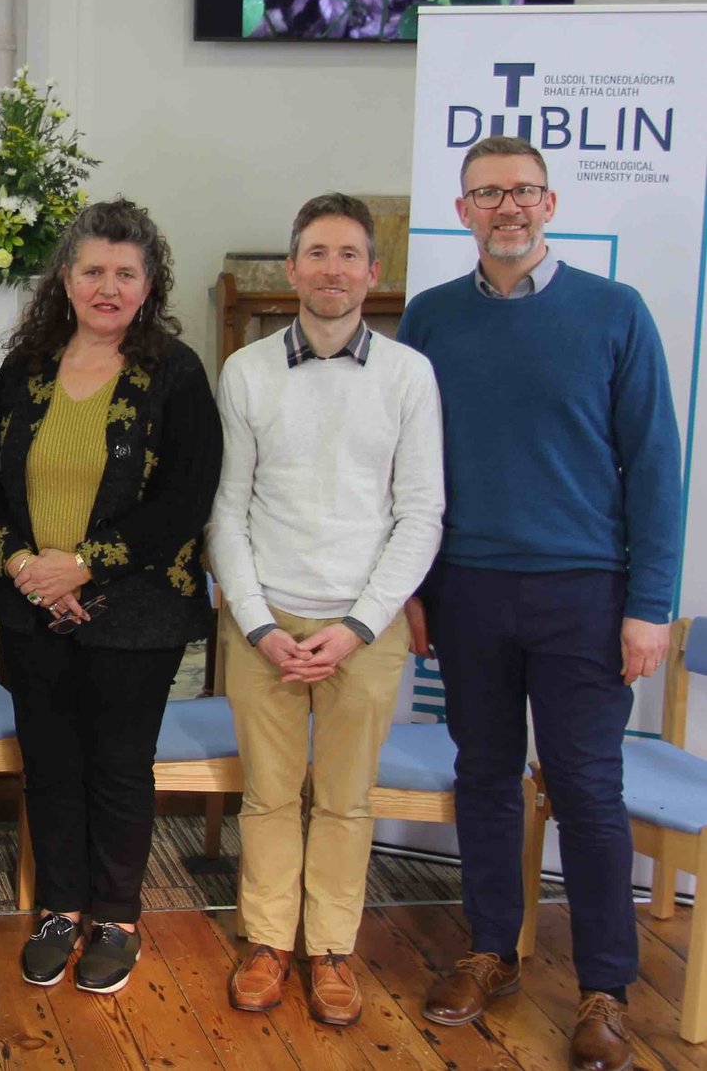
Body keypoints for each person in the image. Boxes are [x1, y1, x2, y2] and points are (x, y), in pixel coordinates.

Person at [400, 136, 680, 1071]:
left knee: (589, 791)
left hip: (584, 595)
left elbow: (656, 467)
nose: (507, 208)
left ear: (550, 203)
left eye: (522, 191)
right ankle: (491, 948)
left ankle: (605, 986)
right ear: (464, 208)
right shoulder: (431, 321)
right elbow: (414, 468)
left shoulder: (614, 312)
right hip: (469, 589)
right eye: (488, 194)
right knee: (482, 775)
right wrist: (419, 589)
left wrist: (650, 604)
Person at [0, 199, 220, 995]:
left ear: (149, 283)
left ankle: (116, 917)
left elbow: (186, 496)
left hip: (138, 610)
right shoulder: (26, 367)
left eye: (125, 272)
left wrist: (85, 567)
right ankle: (59, 909)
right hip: (32, 604)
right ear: (65, 279)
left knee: (117, 766)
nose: (107, 287)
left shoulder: (175, 371)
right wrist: (26, 567)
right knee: (49, 764)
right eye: (92, 271)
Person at [206, 193, 443, 1025]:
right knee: (269, 796)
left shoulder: (411, 375)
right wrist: (261, 622)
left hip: (363, 627)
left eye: (350, 254)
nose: (333, 269)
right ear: (294, 266)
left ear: (373, 273)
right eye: (317, 252)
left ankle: (332, 948)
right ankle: (269, 940)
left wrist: (357, 626)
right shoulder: (247, 370)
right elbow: (226, 511)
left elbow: (421, 513)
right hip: (265, 619)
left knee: (346, 798)